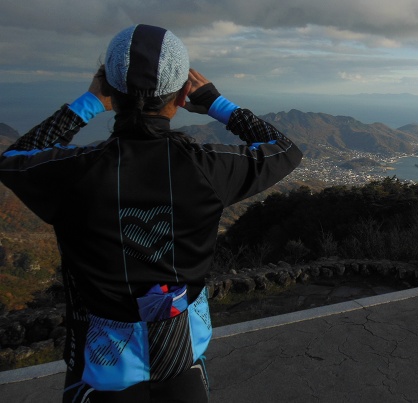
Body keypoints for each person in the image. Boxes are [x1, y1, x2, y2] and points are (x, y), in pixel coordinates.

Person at [0, 24, 303, 402]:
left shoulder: (78, 172)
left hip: (100, 369)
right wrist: (216, 102)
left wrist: (90, 102)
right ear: (180, 97)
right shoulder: (206, 169)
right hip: (182, 359)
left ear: (110, 89)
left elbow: (12, 159)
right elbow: (285, 150)